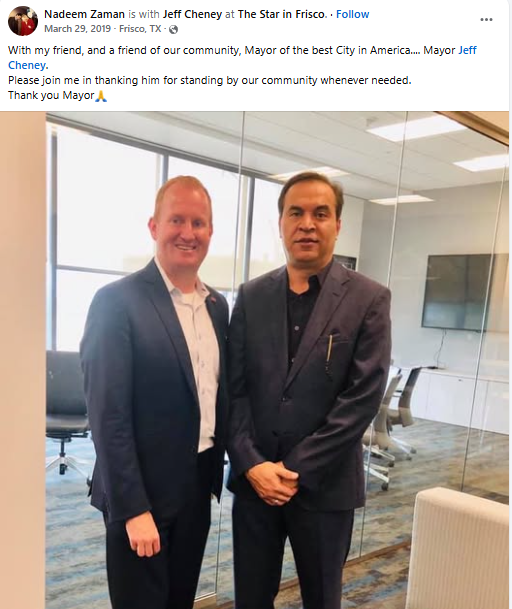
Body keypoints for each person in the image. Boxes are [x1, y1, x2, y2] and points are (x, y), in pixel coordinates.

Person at [227, 171, 391, 609]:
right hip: (256, 485)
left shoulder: (369, 298)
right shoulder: (251, 296)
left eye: (320, 213)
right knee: (250, 599)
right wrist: (252, 464)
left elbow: (361, 400)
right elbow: (234, 392)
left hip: (325, 487)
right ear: (281, 223)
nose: (307, 224)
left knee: (321, 599)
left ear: (337, 224)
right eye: (295, 213)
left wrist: (293, 470)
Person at [80, 176, 229, 609]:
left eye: (198, 223)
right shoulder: (116, 302)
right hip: (141, 491)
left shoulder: (217, 306)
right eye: (176, 220)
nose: (188, 233)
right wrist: (132, 508)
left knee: (180, 600)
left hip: (197, 487)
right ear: (153, 226)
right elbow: (108, 415)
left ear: (210, 232)